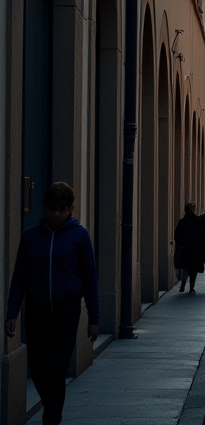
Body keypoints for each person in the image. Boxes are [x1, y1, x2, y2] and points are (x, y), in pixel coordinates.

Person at [5, 181, 99, 425]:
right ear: (45, 208)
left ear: (70, 209)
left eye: (62, 209)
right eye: (52, 208)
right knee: (37, 368)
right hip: (36, 312)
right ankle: (51, 408)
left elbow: (90, 278)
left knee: (57, 371)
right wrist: (12, 313)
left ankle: (52, 418)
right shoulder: (30, 237)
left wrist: (94, 319)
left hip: (66, 313)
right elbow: (19, 278)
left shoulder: (79, 236)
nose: (56, 214)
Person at [173, 202, 205, 295]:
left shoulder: (182, 221)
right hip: (195, 249)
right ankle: (191, 287)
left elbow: (177, 235)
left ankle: (182, 285)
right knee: (193, 270)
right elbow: (202, 235)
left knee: (185, 268)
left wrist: (179, 246)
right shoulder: (198, 221)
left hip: (185, 248)